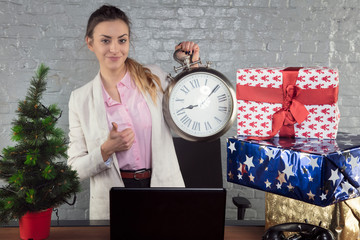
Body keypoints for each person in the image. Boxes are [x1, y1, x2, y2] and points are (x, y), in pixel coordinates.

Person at [67, 4, 200, 220]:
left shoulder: (154, 77)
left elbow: (193, 109)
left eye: (122, 40)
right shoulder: (80, 99)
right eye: (105, 40)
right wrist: (106, 150)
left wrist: (191, 66)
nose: (114, 49)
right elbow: (74, 170)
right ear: (90, 43)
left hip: (162, 187)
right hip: (114, 198)